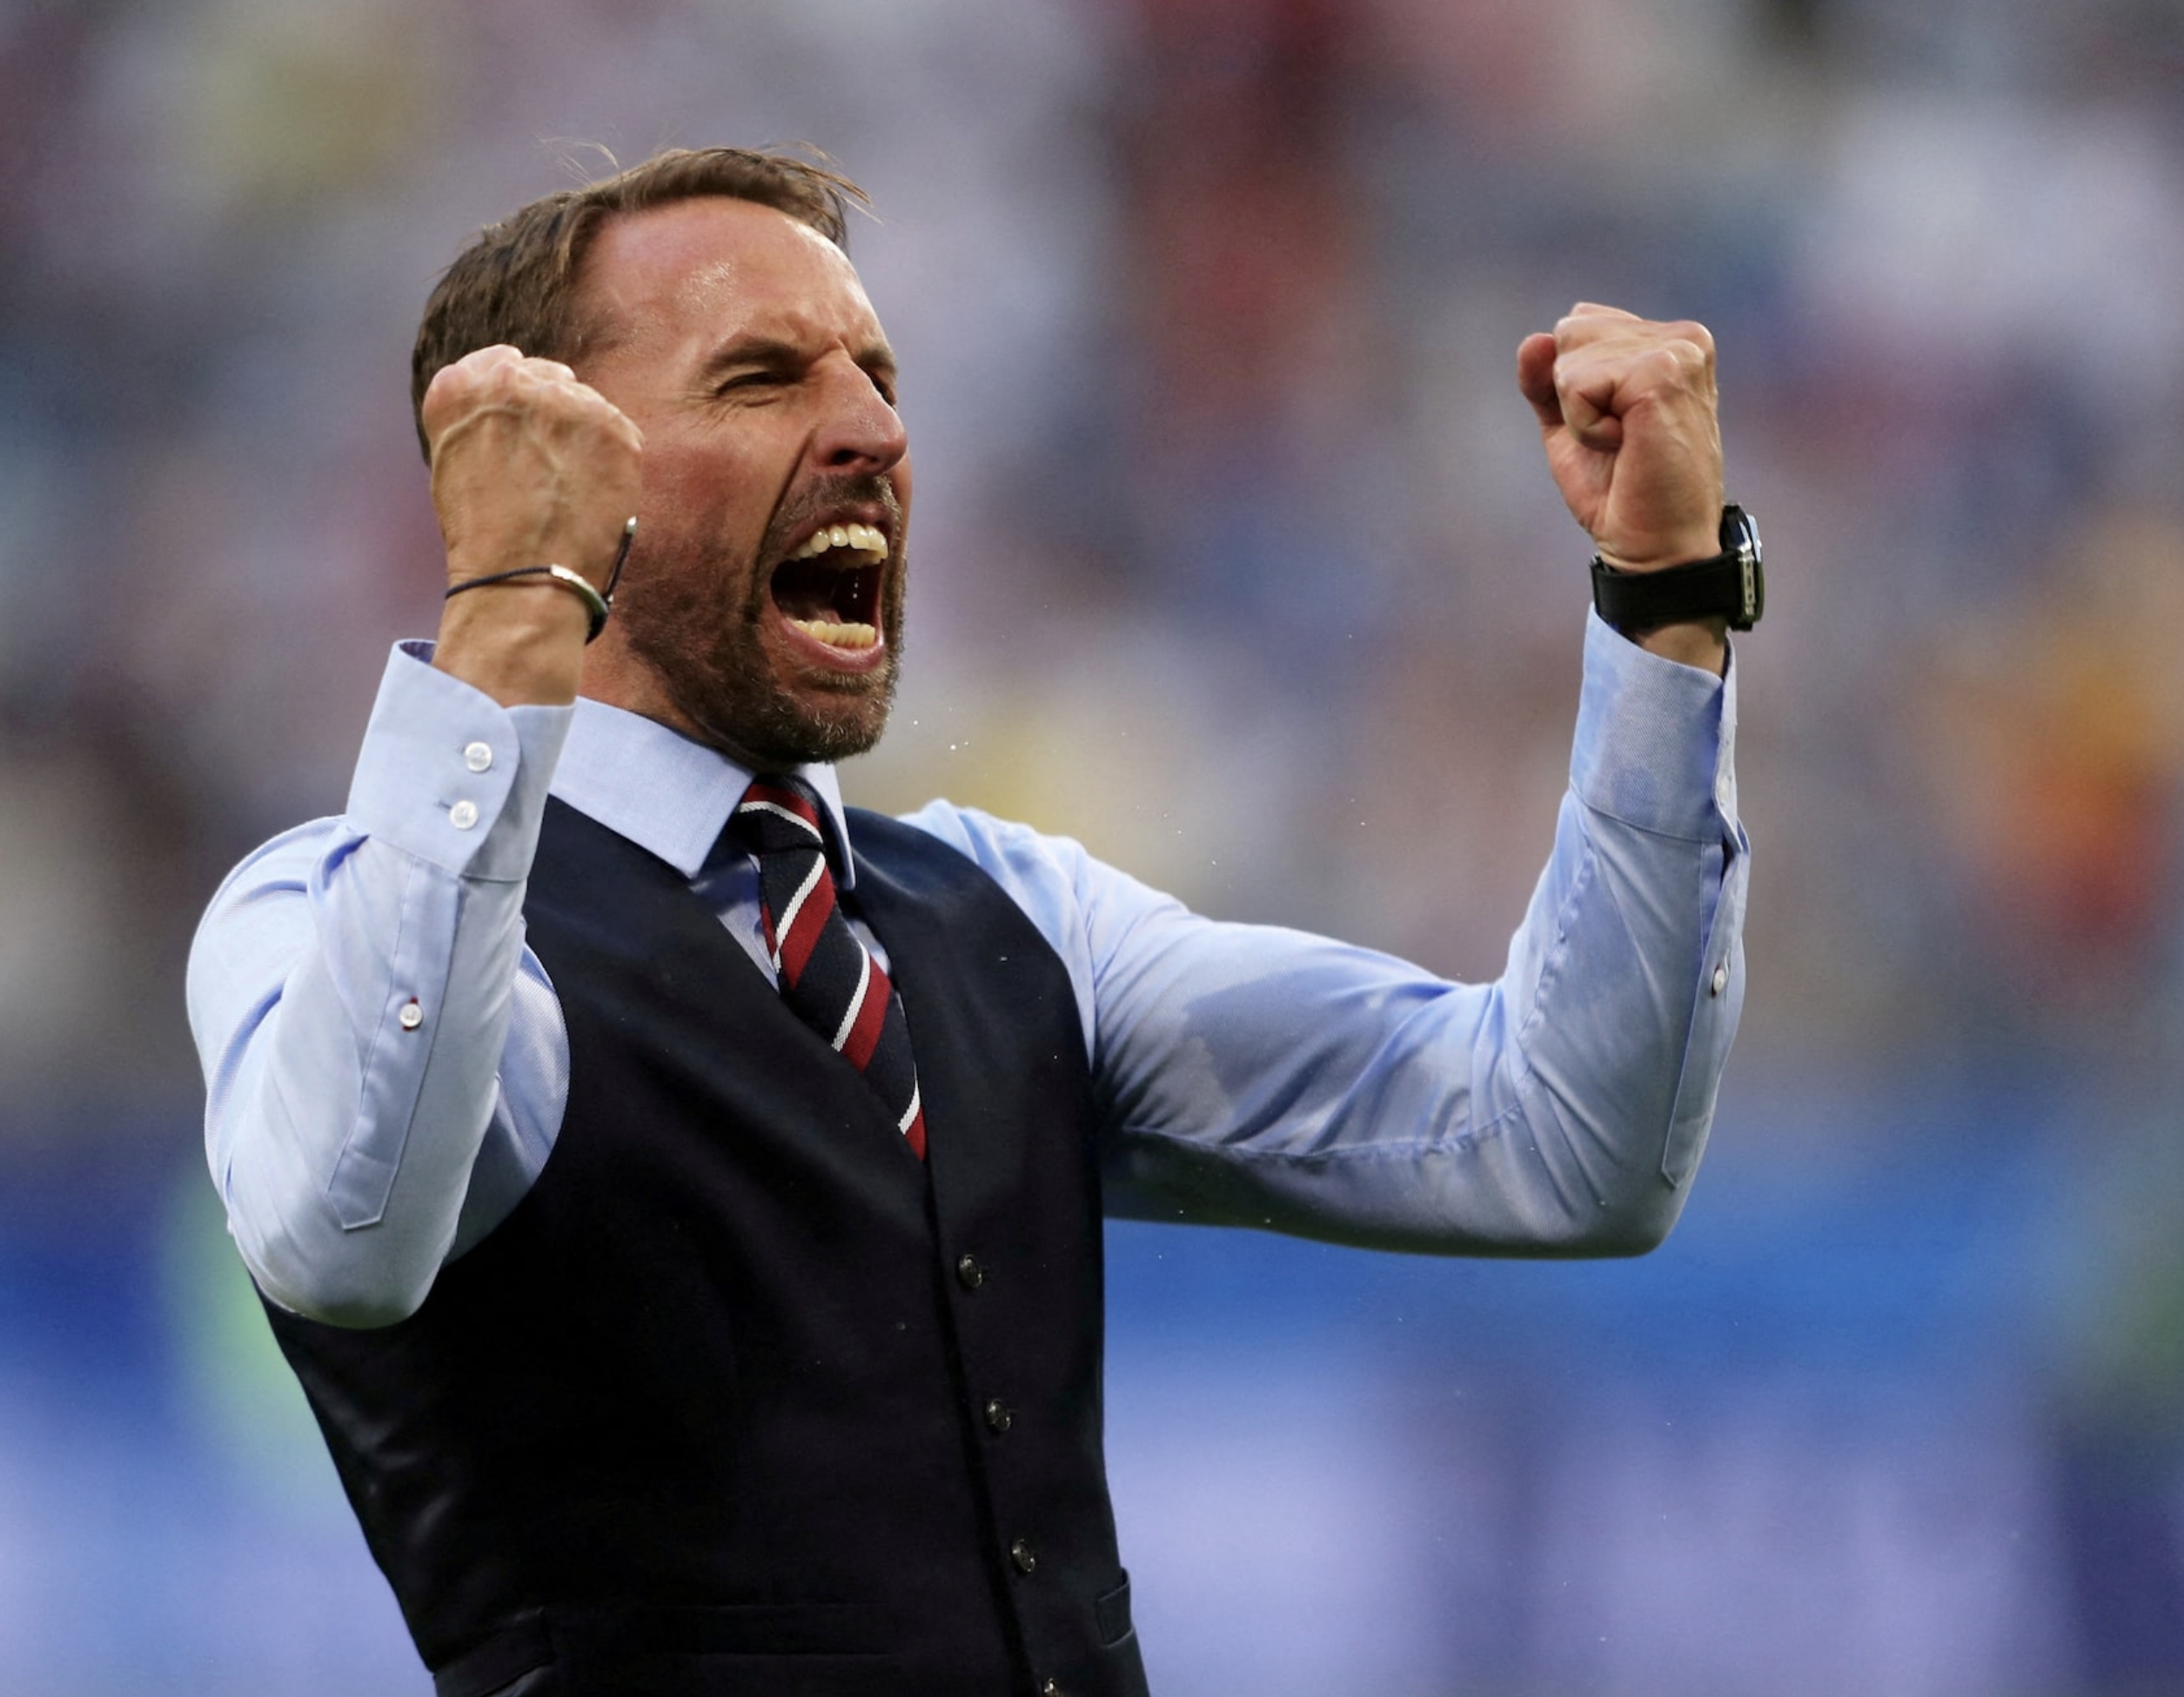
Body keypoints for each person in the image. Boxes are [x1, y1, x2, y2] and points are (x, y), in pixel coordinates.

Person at [187, 146, 1751, 1697]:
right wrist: (508, 616)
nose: (873, 430)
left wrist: (1663, 605)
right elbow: (350, 1233)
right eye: (759, 380)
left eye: (877, 373)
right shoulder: (333, 911)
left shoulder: (1008, 914)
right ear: (551, 468)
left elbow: (1561, 1141)